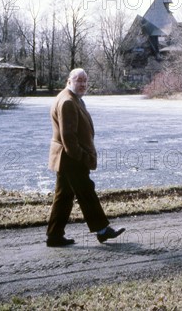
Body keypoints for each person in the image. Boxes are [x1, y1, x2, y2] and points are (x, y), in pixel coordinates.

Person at [46, 68, 125, 247]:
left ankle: (54, 235)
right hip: (71, 158)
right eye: (78, 80)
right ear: (69, 81)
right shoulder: (67, 102)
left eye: (84, 81)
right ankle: (103, 230)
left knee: (64, 196)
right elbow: (69, 137)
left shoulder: (72, 98)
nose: (82, 84)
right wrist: (82, 157)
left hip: (65, 156)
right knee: (86, 192)